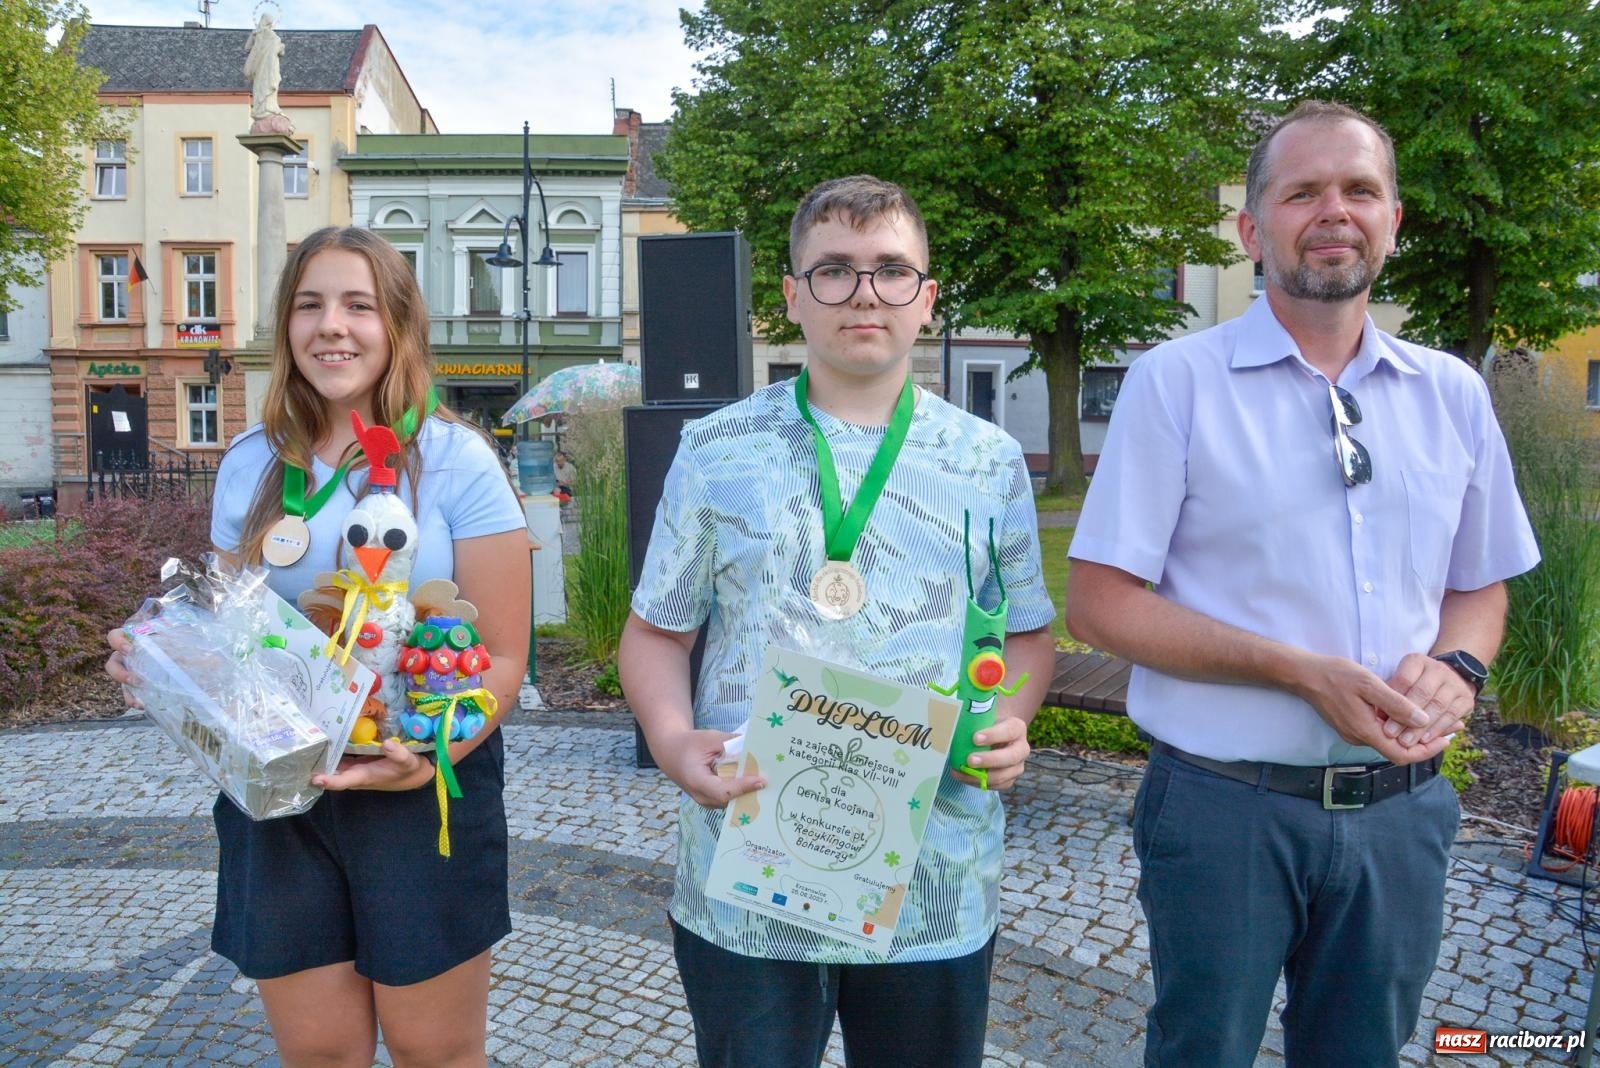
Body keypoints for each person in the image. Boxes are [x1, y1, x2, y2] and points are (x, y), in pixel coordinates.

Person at [1065, 101, 1540, 1066]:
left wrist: (1459, 662)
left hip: (1403, 814)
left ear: (1393, 221)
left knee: (1365, 1053)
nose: (1336, 211)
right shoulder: (1177, 382)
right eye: (1302, 192)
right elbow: (1099, 602)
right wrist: (1295, 671)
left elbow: (1479, 585)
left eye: (1361, 189)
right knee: (1204, 1050)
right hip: (1223, 810)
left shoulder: (1452, 393)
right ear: (1252, 229)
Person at [619, 175, 1057, 1068]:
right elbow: (656, 632)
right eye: (835, 271)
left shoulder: (988, 462)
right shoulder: (715, 451)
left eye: (893, 270)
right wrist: (670, 740)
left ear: (927, 299)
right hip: (749, 867)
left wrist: (1010, 717)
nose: (865, 292)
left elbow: (1026, 634)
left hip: (932, 873)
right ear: (790, 298)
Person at [106, 226, 530, 1068]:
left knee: (433, 1053)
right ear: (286, 326)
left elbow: (507, 658)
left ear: (399, 326)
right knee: (321, 1054)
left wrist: (434, 753)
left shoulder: (455, 461)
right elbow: (226, 640)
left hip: (421, 790)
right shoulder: (253, 464)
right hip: (279, 794)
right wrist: (164, 663)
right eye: (310, 305)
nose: (331, 326)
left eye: (358, 305)